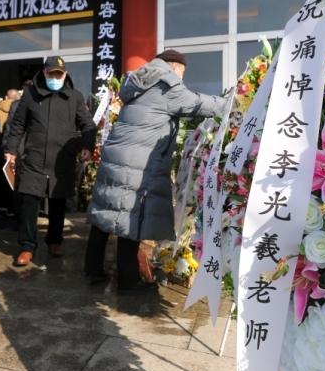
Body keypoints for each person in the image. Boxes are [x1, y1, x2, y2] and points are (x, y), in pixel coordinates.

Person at [85, 50, 228, 292]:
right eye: (182, 72)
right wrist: (234, 103)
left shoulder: (140, 81)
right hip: (137, 162)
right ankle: (129, 282)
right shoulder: (165, 84)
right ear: (174, 66)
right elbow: (197, 103)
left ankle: (92, 268)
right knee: (131, 220)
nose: (182, 77)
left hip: (117, 157)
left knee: (105, 211)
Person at [5, 56, 96, 265]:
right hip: (34, 158)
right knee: (29, 203)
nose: (55, 78)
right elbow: (18, 125)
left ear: (65, 75)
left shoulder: (75, 97)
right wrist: (11, 150)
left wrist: (87, 146)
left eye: (59, 74)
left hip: (62, 160)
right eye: (52, 73)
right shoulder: (30, 95)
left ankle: (55, 240)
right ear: (44, 73)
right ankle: (27, 246)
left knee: (58, 203)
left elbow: (88, 125)